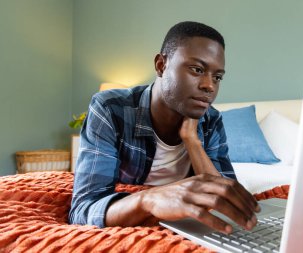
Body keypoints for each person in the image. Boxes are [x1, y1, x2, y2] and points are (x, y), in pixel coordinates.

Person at [69, 21, 260, 234]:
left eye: (217, 77)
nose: (209, 86)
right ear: (161, 65)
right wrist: (148, 199)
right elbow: (83, 209)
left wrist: (192, 140)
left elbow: (227, 199)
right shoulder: (111, 109)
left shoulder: (210, 120)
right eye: (197, 69)